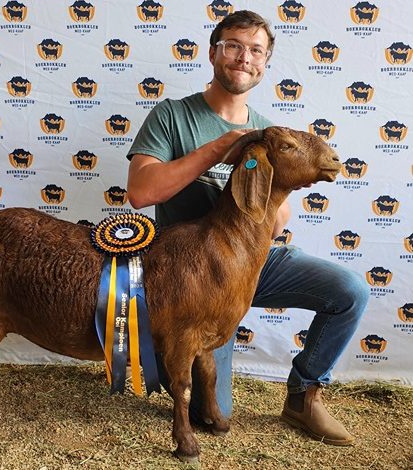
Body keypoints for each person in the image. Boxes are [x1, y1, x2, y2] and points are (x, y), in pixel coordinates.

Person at [126, 10, 369, 446]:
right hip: (192, 274)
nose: (244, 57)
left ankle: (304, 395)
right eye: (234, 46)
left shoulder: (270, 132)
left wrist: (286, 179)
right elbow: (141, 193)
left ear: (265, 63)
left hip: (254, 260)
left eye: (256, 50)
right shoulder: (173, 117)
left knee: (350, 290)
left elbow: (274, 224)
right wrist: (221, 148)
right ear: (214, 52)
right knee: (207, 412)